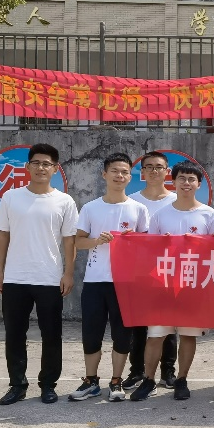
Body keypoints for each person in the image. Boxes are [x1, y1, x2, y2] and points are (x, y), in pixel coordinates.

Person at [129, 160, 214, 402]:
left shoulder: (209, 214)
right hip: (163, 285)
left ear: (199, 184)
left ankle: (181, 379)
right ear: (174, 181)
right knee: (155, 335)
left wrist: (204, 243)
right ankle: (149, 380)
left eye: (192, 179)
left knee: (188, 335)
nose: (186, 183)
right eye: (182, 178)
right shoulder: (160, 215)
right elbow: (149, 251)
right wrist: (163, 244)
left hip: (193, 285)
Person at [0, 143, 79, 405]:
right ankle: (17, 385)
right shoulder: (11, 197)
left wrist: (68, 273)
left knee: (51, 334)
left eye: (46, 164)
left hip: (49, 278)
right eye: (36, 163)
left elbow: (70, 241)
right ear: (27, 167)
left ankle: (48, 385)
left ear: (55, 169)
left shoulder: (64, 201)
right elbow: (2, 235)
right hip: (15, 278)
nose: (41, 167)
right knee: (14, 334)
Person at [69, 153, 149, 403]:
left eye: (124, 172)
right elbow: (78, 242)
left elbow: (147, 246)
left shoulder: (138, 209)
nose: (119, 176)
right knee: (91, 333)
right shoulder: (91, 207)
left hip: (125, 282)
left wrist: (133, 239)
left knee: (122, 334)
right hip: (95, 280)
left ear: (130, 177)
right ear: (104, 174)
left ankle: (116, 381)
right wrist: (97, 241)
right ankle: (91, 381)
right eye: (114, 171)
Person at [125, 151, 177, 391]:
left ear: (167, 172)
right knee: (138, 325)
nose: (154, 171)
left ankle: (168, 371)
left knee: (169, 324)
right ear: (142, 172)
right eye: (149, 167)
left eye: (159, 167)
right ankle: (137, 371)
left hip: (169, 271)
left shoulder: (177, 200)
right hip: (138, 272)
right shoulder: (131, 201)